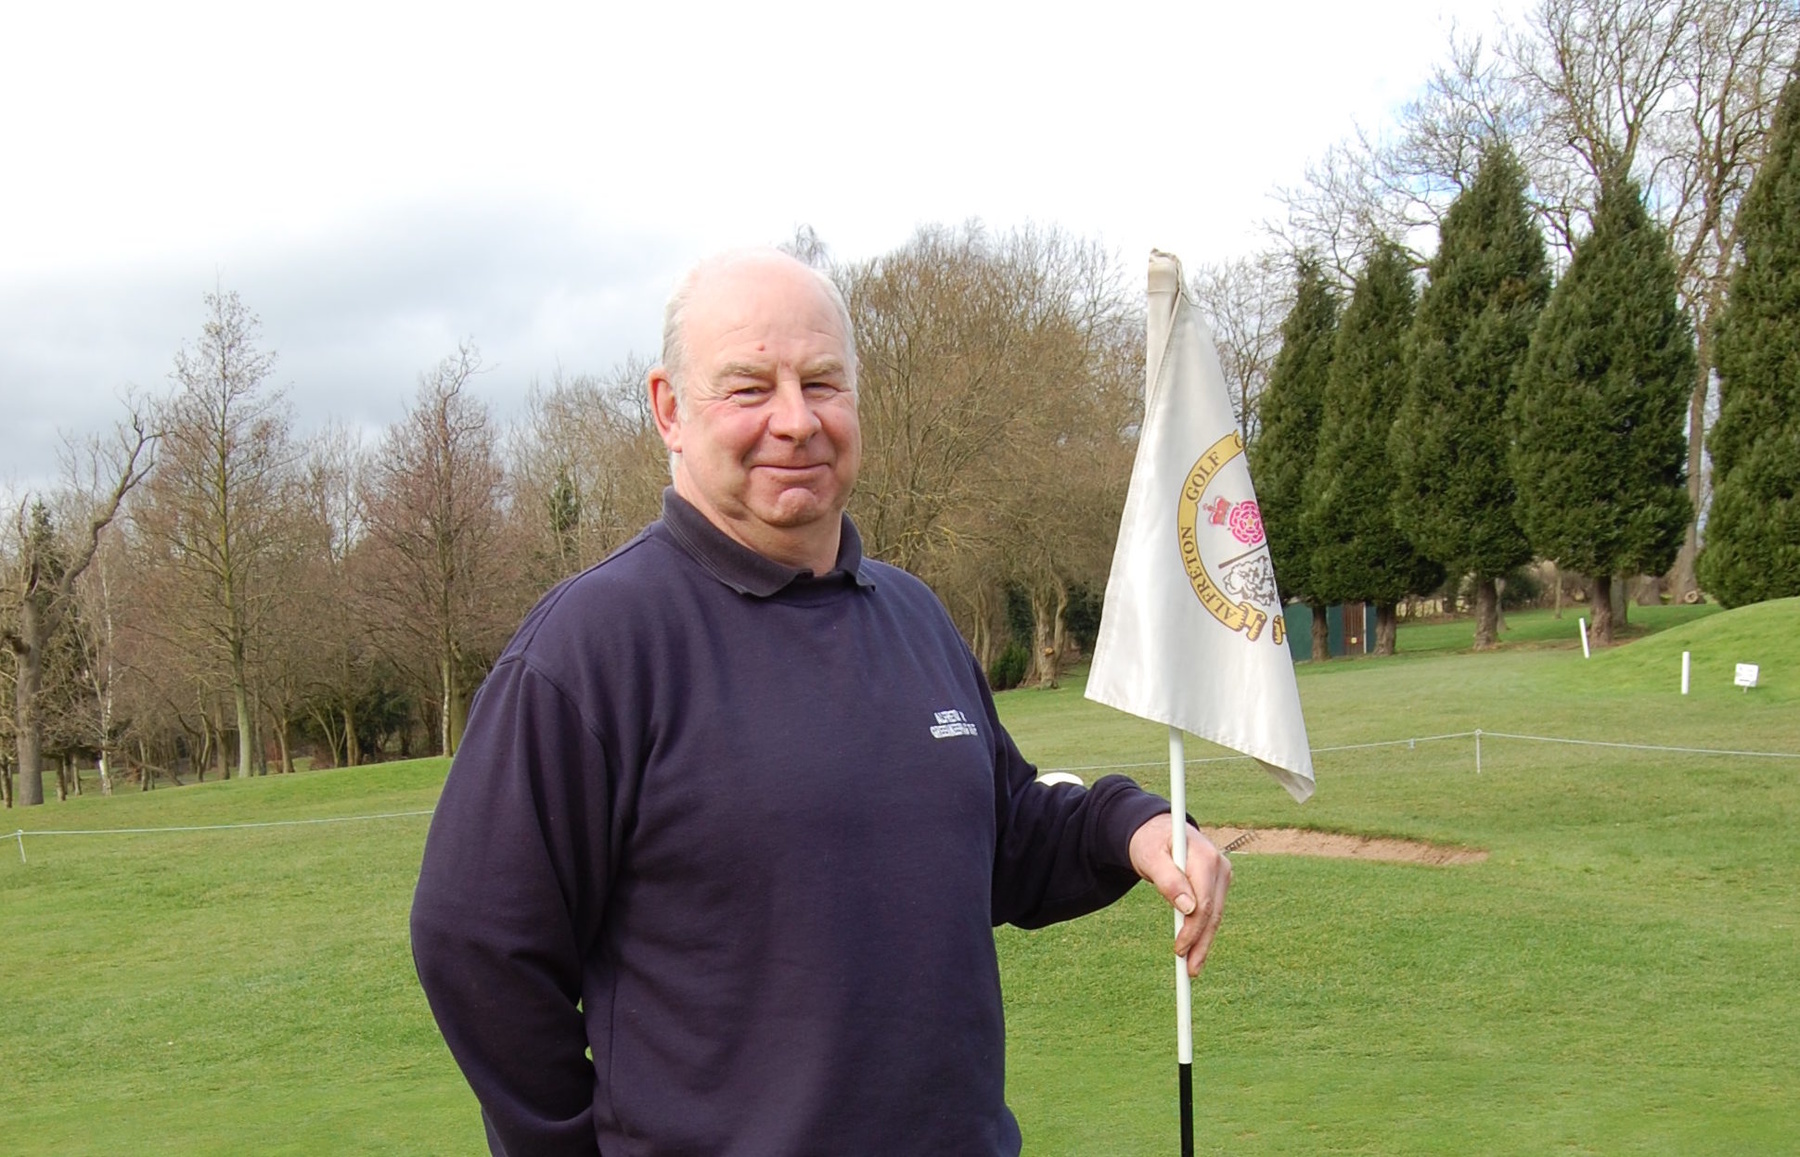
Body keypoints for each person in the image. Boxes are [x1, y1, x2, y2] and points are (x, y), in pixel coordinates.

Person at [410, 248, 1231, 1157]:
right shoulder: (590, 648)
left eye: (823, 382)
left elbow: (1000, 839)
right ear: (670, 408)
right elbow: (475, 941)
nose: (795, 421)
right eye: (749, 388)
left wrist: (1130, 825)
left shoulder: (913, 614)